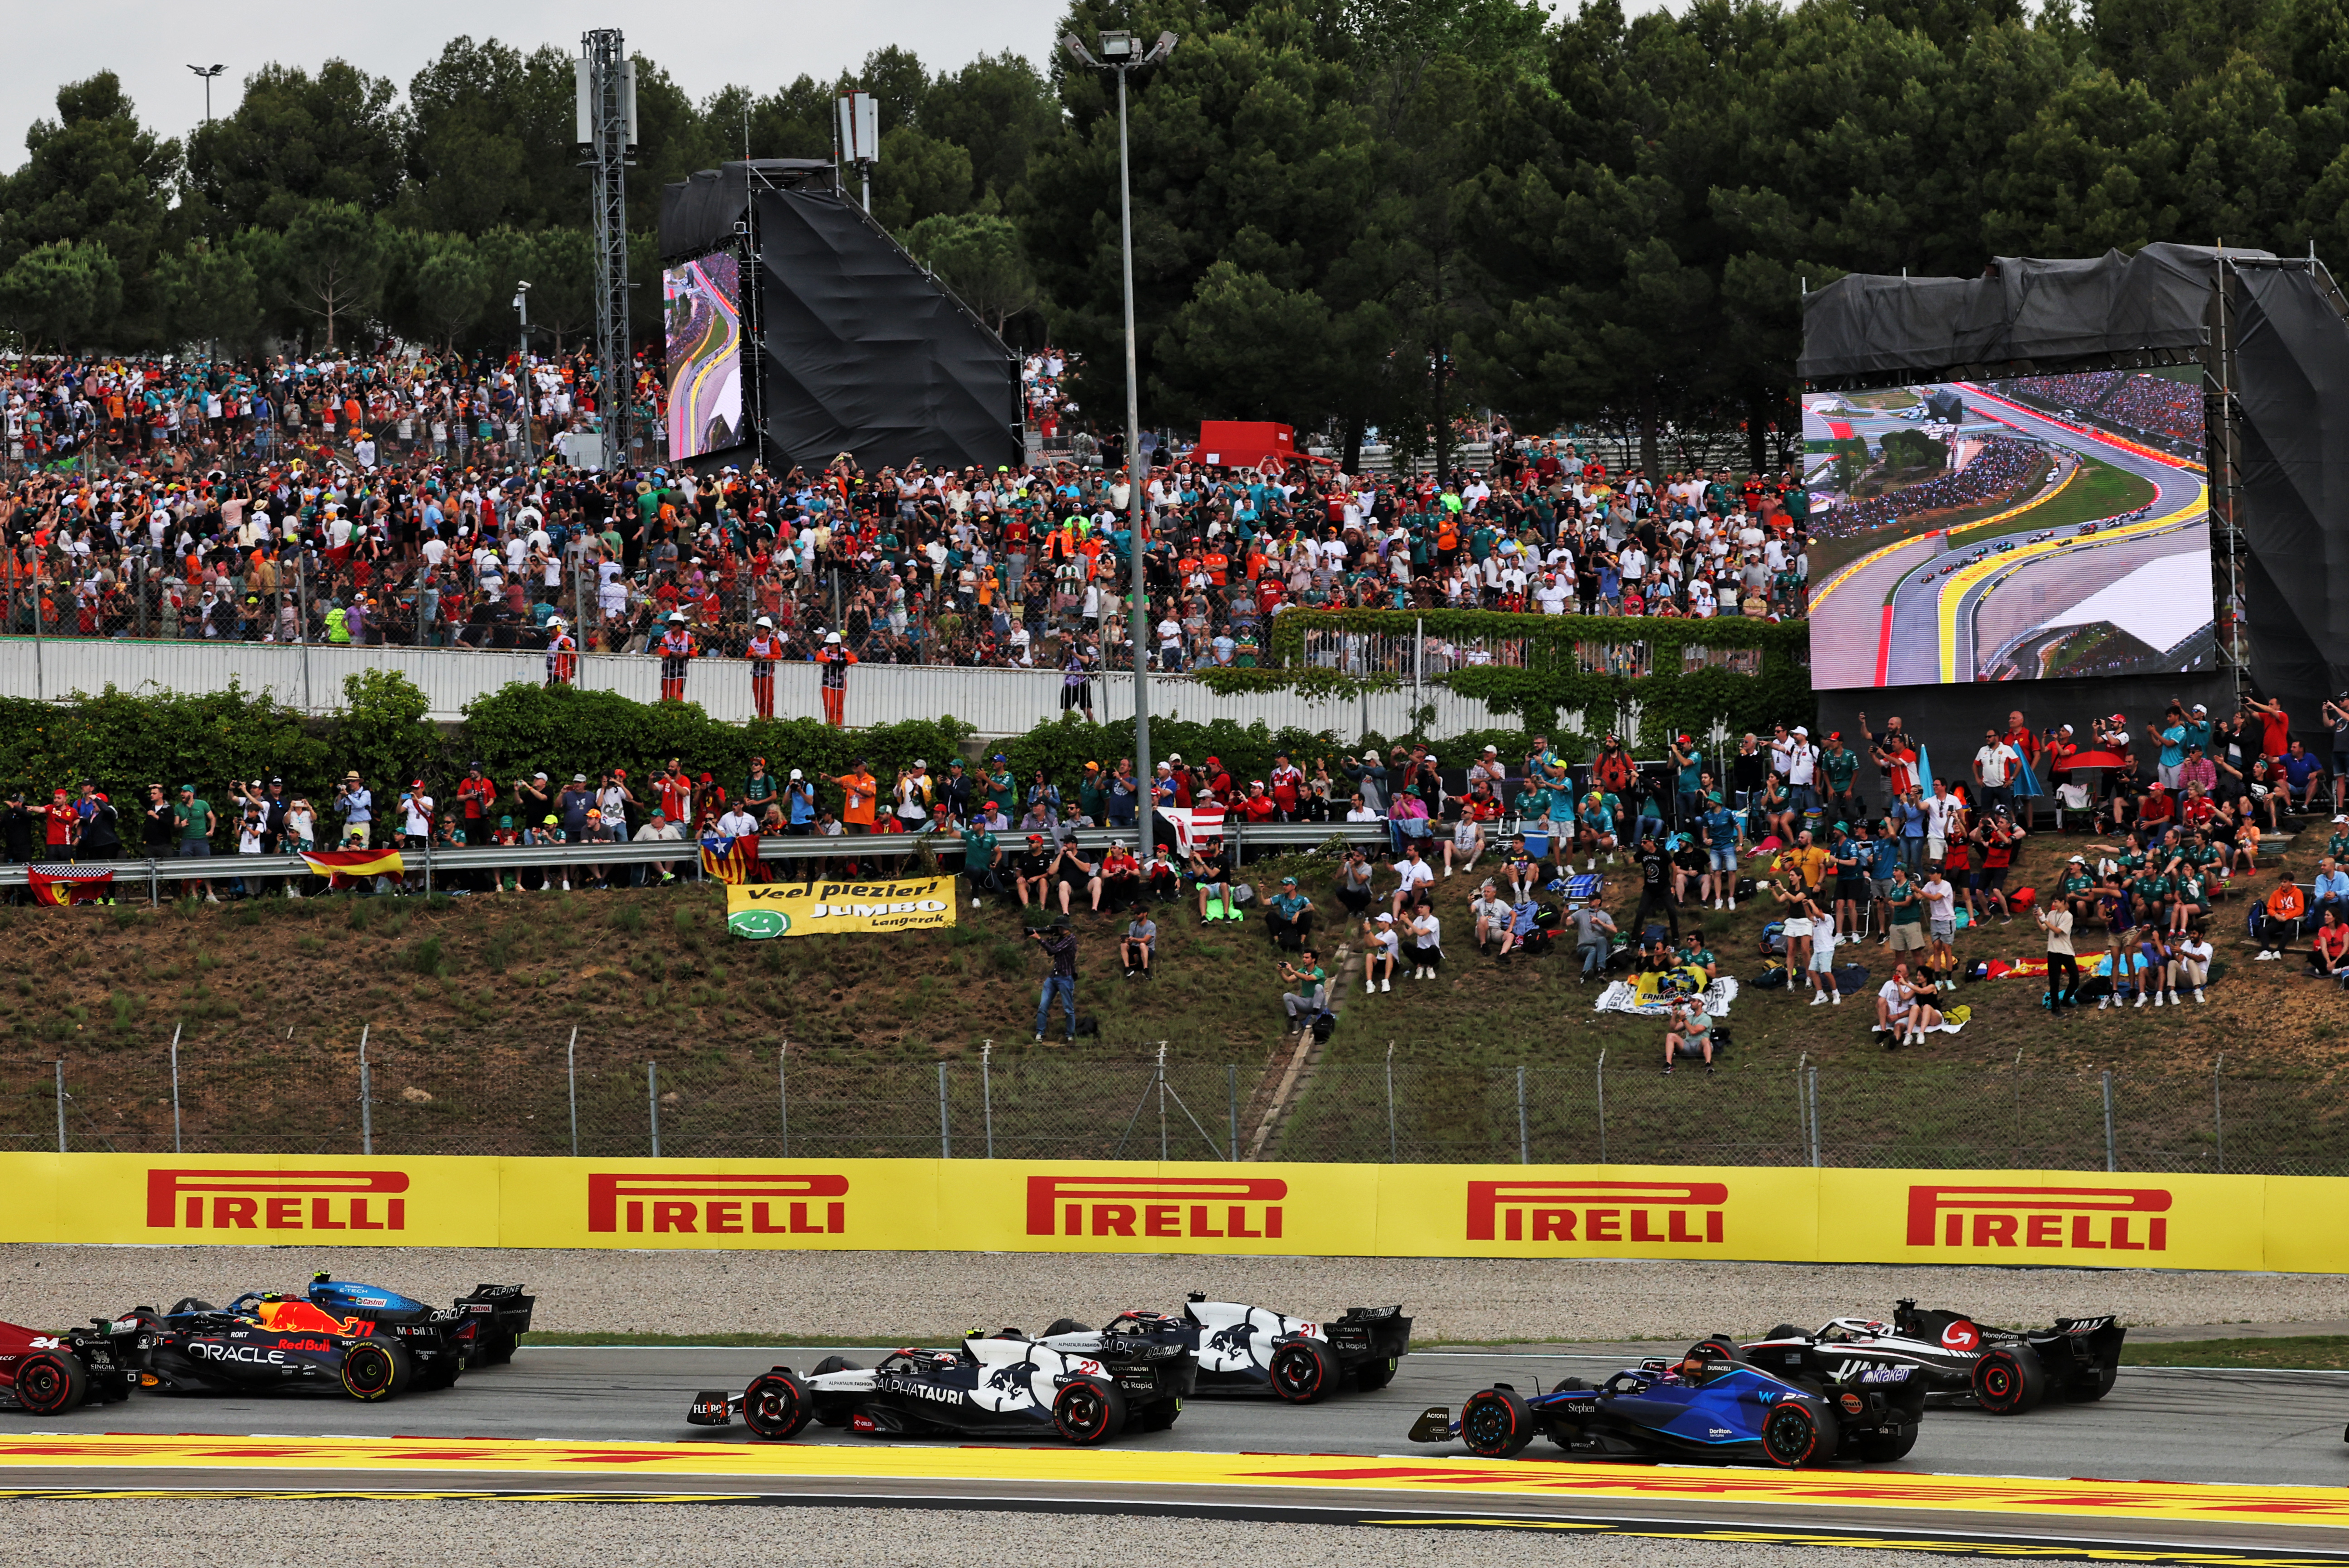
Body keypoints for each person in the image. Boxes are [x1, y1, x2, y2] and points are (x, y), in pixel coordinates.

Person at [1029, 916, 1080, 1042]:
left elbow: (1053, 950)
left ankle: (1070, 1035)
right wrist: (1051, 939)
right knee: (1043, 1006)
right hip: (1054, 976)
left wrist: (1039, 939)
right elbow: (1052, 953)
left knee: (1068, 1009)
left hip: (1065, 978)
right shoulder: (1063, 938)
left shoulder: (1070, 939)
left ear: (1060, 927)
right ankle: (1040, 1033)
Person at [1631, 831, 1678, 939]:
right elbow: (1629, 862)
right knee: (1641, 912)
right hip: (1649, 889)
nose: (1642, 845)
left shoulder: (1663, 853)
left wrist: (1673, 886)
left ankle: (1676, 938)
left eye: (1644, 842)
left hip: (1664, 888)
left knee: (1672, 911)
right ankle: (1634, 939)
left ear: (1652, 842)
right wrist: (1624, 855)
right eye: (1641, 843)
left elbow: (1674, 868)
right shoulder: (1642, 853)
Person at [2039, 893, 2079, 1014]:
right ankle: (2055, 1007)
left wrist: (2044, 920)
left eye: (2056, 902)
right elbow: (2043, 929)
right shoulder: (2051, 914)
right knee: (2054, 981)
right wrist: (2038, 919)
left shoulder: (2068, 916)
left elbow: (2058, 931)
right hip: (2053, 951)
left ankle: (2066, 999)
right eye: (2053, 902)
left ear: (2063, 902)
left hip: (2066, 951)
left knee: (2075, 978)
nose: (2054, 904)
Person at [2255, 871, 2306, 959]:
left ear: (2291, 882)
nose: (2282, 884)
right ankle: (2266, 952)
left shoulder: (2298, 892)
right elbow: (2270, 908)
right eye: (2281, 882)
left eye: (2285, 882)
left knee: (2289, 928)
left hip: (2291, 919)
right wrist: (2276, 915)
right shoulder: (2276, 893)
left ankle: (2279, 951)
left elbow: (2300, 909)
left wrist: (2287, 917)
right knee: (2263, 931)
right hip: (2278, 918)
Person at [1885, 862, 1926, 961]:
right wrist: (1882, 899)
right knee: (1898, 953)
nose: (1893, 873)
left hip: (1911, 922)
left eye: (1896, 871)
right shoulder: (1894, 887)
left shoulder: (1910, 886)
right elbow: (1891, 899)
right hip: (1897, 923)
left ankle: (1923, 975)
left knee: (1916, 952)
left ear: (1903, 873)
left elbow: (1908, 902)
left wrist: (1895, 904)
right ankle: (1899, 975)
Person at [1278, 950, 1328, 1033]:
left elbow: (1308, 978)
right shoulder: (1302, 971)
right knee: (1287, 996)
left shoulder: (1319, 972)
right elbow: (1288, 980)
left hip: (1319, 1004)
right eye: (1304, 957)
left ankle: (1314, 1017)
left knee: (1319, 987)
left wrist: (1293, 971)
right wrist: (1281, 972)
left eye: (1307, 958)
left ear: (1313, 960)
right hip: (1306, 1003)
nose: (1304, 960)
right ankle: (1296, 1023)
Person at [1662, 998, 1714, 1075]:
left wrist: (1684, 1020)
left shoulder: (1706, 1018)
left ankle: (1708, 1065)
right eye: (1691, 1001)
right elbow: (1673, 1029)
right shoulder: (1690, 1018)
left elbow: (1694, 1032)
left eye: (1694, 1001)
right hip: (1688, 1046)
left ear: (1700, 1003)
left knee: (1706, 1040)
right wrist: (1674, 1014)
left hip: (1700, 1047)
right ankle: (1669, 1064)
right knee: (1671, 1036)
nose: (1691, 1003)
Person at [1570, 897, 1616, 980]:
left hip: (1601, 948)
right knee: (1592, 950)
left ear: (1599, 901)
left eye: (1593, 899)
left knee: (1601, 939)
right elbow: (1565, 923)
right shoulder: (1581, 913)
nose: (1590, 901)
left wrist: (1600, 923)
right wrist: (1565, 913)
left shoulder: (1605, 916)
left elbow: (1614, 930)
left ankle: (1601, 971)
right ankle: (1585, 974)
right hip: (1584, 948)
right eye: (1589, 899)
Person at [746, 615, 783, 719]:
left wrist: (764, 656)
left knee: (768, 697)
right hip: (757, 672)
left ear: (767, 630)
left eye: (761, 628)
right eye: (757, 628)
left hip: (768, 673)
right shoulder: (754, 641)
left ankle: (770, 719)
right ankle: (761, 719)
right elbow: (748, 653)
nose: (758, 630)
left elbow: (778, 655)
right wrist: (753, 654)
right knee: (758, 698)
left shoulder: (772, 640)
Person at [1264, 875, 1314, 950]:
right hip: (1284, 922)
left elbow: (1311, 908)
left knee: (1308, 916)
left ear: (1294, 887)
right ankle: (1277, 942)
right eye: (1284, 885)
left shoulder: (1302, 899)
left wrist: (1298, 913)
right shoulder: (1280, 897)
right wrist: (1261, 892)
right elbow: (1265, 902)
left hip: (1296, 923)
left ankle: (1302, 943)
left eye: (1287, 885)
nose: (1284, 887)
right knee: (1271, 915)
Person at [655, 610, 695, 703]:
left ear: (680, 625)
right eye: (670, 624)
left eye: (674, 624)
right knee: (666, 693)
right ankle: (665, 712)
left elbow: (694, 652)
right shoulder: (666, 636)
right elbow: (661, 650)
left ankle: (676, 712)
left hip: (681, 669)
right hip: (668, 669)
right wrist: (672, 654)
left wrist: (685, 655)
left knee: (678, 693)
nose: (671, 626)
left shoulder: (688, 637)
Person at [2169, 925, 2212, 1004]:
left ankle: (2198, 992)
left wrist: (2183, 952)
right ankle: (2172, 994)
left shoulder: (2207, 947)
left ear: (2201, 935)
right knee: (2172, 963)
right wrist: (2174, 953)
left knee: (2191, 962)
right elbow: (2179, 960)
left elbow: (2199, 959)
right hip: (2185, 978)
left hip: (2200, 978)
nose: (2191, 936)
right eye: (2191, 933)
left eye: (2194, 934)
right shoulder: (2187, 943)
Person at [1362, 910, 1402, 992]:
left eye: (1380, 922)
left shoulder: (1391, 934)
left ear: (1387, 923)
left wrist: (1369, 931)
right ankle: (1369, 983)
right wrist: (1366, 932)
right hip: (1380, 962)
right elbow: (1368, 945)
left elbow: (1377, 943)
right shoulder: (1379, 935)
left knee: (1389, 954)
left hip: (1392, 963)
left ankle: (1386, 981)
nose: (1378, 923)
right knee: (1369, 956)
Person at [1120, 909, 1158, 978]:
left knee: (1142, 945)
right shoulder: (1133, 925)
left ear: (1145, 914)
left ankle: (1146, 969)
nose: (1136, 916)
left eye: (1138, 914)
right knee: (1123, 945)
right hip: (1135, 947)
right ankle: (1127, 968)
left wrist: (1134, 939)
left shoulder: (1151, 926)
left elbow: (1145, 940)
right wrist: (1125, 940)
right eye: (1135, 914)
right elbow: (1130, 938)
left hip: (1148, 949)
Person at [544, 614, 577, 686]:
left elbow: (573, 655)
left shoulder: (563, 640)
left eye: (551, 629)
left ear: (558, 628)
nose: (549, 631)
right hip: (554, 673)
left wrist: (573, 670)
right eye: (548, 629)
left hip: (561, 673)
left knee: (547, 692)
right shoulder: (553, 641)